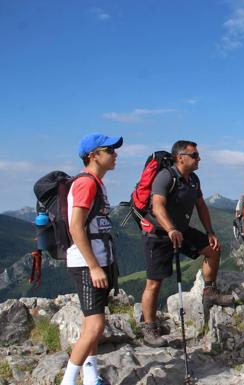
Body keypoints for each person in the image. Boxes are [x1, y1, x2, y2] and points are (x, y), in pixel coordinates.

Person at [140, 140, 232, 347]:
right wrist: (170, 229)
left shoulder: (193, 179)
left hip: (181, 230)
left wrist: (210, 232)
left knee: (213, 250)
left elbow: (201, 206)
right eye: (195, 155)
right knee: (154, 282)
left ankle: (209, 291)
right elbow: (157, 206)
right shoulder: (165, 177)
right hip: (158, 233)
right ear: (180, 157)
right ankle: (148, 326)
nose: (199, 158)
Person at [60, 133, 123, 385]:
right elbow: (76, 227)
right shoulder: (86, 183)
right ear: (93, 155)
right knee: (95, 326)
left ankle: (91, 377)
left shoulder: (96, 182)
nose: (115, 154)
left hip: (97, 261)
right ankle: (68, 380)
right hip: (88, 264)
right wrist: (95, 267)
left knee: (92, 325)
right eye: (109, 150)